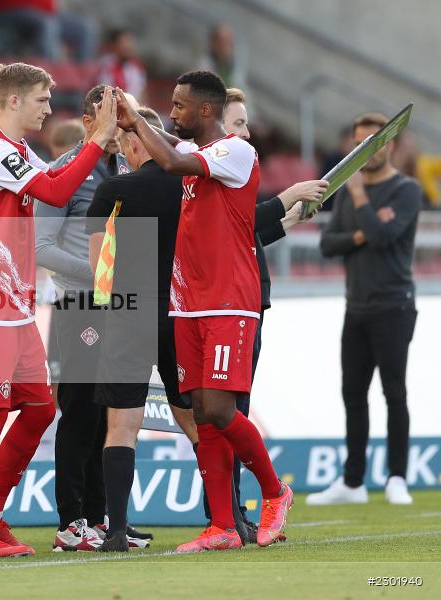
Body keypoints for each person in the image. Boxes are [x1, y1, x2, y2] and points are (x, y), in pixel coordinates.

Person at [119, 71, 292, 552]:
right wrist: (131, 127)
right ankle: (221, 527)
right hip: (187, 303)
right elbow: (171, 149)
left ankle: (276, 492)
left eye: (179, 105)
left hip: (228, 300)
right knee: (201, 411)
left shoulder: (236, 151)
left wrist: (136, 118)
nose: (172, 112)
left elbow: (172, 158)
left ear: (207, 111)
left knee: (219, 407)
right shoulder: (200, 155)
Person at [0, 62, 118, 558]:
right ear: (15, 101)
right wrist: (98, 138)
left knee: (42, 407)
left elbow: (56, 178)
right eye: (43, 99)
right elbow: (56, 191)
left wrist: (97, 144)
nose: (49, 108)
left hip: (16, 300)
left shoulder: (17, 150)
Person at [193, 87, 327, 541]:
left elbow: (246, 233)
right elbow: (239, 225)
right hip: (212, 301)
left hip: (237, 301)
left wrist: (288, 221)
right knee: (217, 410)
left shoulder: (217, 169)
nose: (247, 133)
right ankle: (230, 515)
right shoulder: (211, 166)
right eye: (239, 123)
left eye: (247, 124)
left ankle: (236, 514)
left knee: (227, 409)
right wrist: (288, 197)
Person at [86, 105, 185, 552]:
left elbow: (97, 266)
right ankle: (225, 519)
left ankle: (117, 531)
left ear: (130, 143)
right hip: (180, 311)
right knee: (199, 422)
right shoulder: (190, 184)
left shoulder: (115, 189)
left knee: (122, 426)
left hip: (129, 314)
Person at [35, 84, 129, 552]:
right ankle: (70, 520)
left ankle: (101, 517)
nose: (120, 119)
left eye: (124, 109)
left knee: (109, 414)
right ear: (89, 119)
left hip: (122, 307)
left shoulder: (130, 166)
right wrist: (101, 273)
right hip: (80, 306)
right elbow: (40, 247)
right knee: (79, 414)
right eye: (111, 111)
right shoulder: (63, 173)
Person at [312, 112, 422, 506]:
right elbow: (328, 244)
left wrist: (360, 203)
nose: (363, 151)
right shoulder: (345, 192)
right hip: (355, 306)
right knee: (353, 394)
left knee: (394, 391)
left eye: (370, 142)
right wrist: (362, 227)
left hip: (394, 305)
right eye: (357, 143)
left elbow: (383, 238)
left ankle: (397, 477)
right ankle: (353, 481)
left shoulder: (405, 190)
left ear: (388, 144)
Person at [96, 29, 147, 103]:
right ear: (114, 45)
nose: (128, 47)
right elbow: (103, 93)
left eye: (130, 43)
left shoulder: (137, 67)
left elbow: (142, 94)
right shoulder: (105, 65)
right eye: (124, 42)